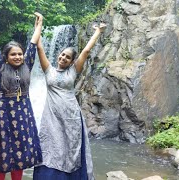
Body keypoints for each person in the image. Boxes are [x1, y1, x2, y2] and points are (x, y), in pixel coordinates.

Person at [33, 23, 107, 180]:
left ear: (72, 61)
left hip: (71, 116)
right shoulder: (49, 70)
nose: (63, 58)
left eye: (67, 57)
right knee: (50, 145)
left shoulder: (74, 71)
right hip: (51, 116)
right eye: (62, 55)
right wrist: (38, 26)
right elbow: (39, 48)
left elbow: (86, 51)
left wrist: (98, 31)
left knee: (70, 147)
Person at [0, 3, 43, 180]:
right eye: (13, 54)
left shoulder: (27, 65)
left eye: (19, 54)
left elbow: (33, 44)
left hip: (24, 112)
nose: (17, 57)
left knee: (21, 149)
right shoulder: (0, 67)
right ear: (6, 58)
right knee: (1, 148)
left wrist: (39, 25)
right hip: (3, 113)